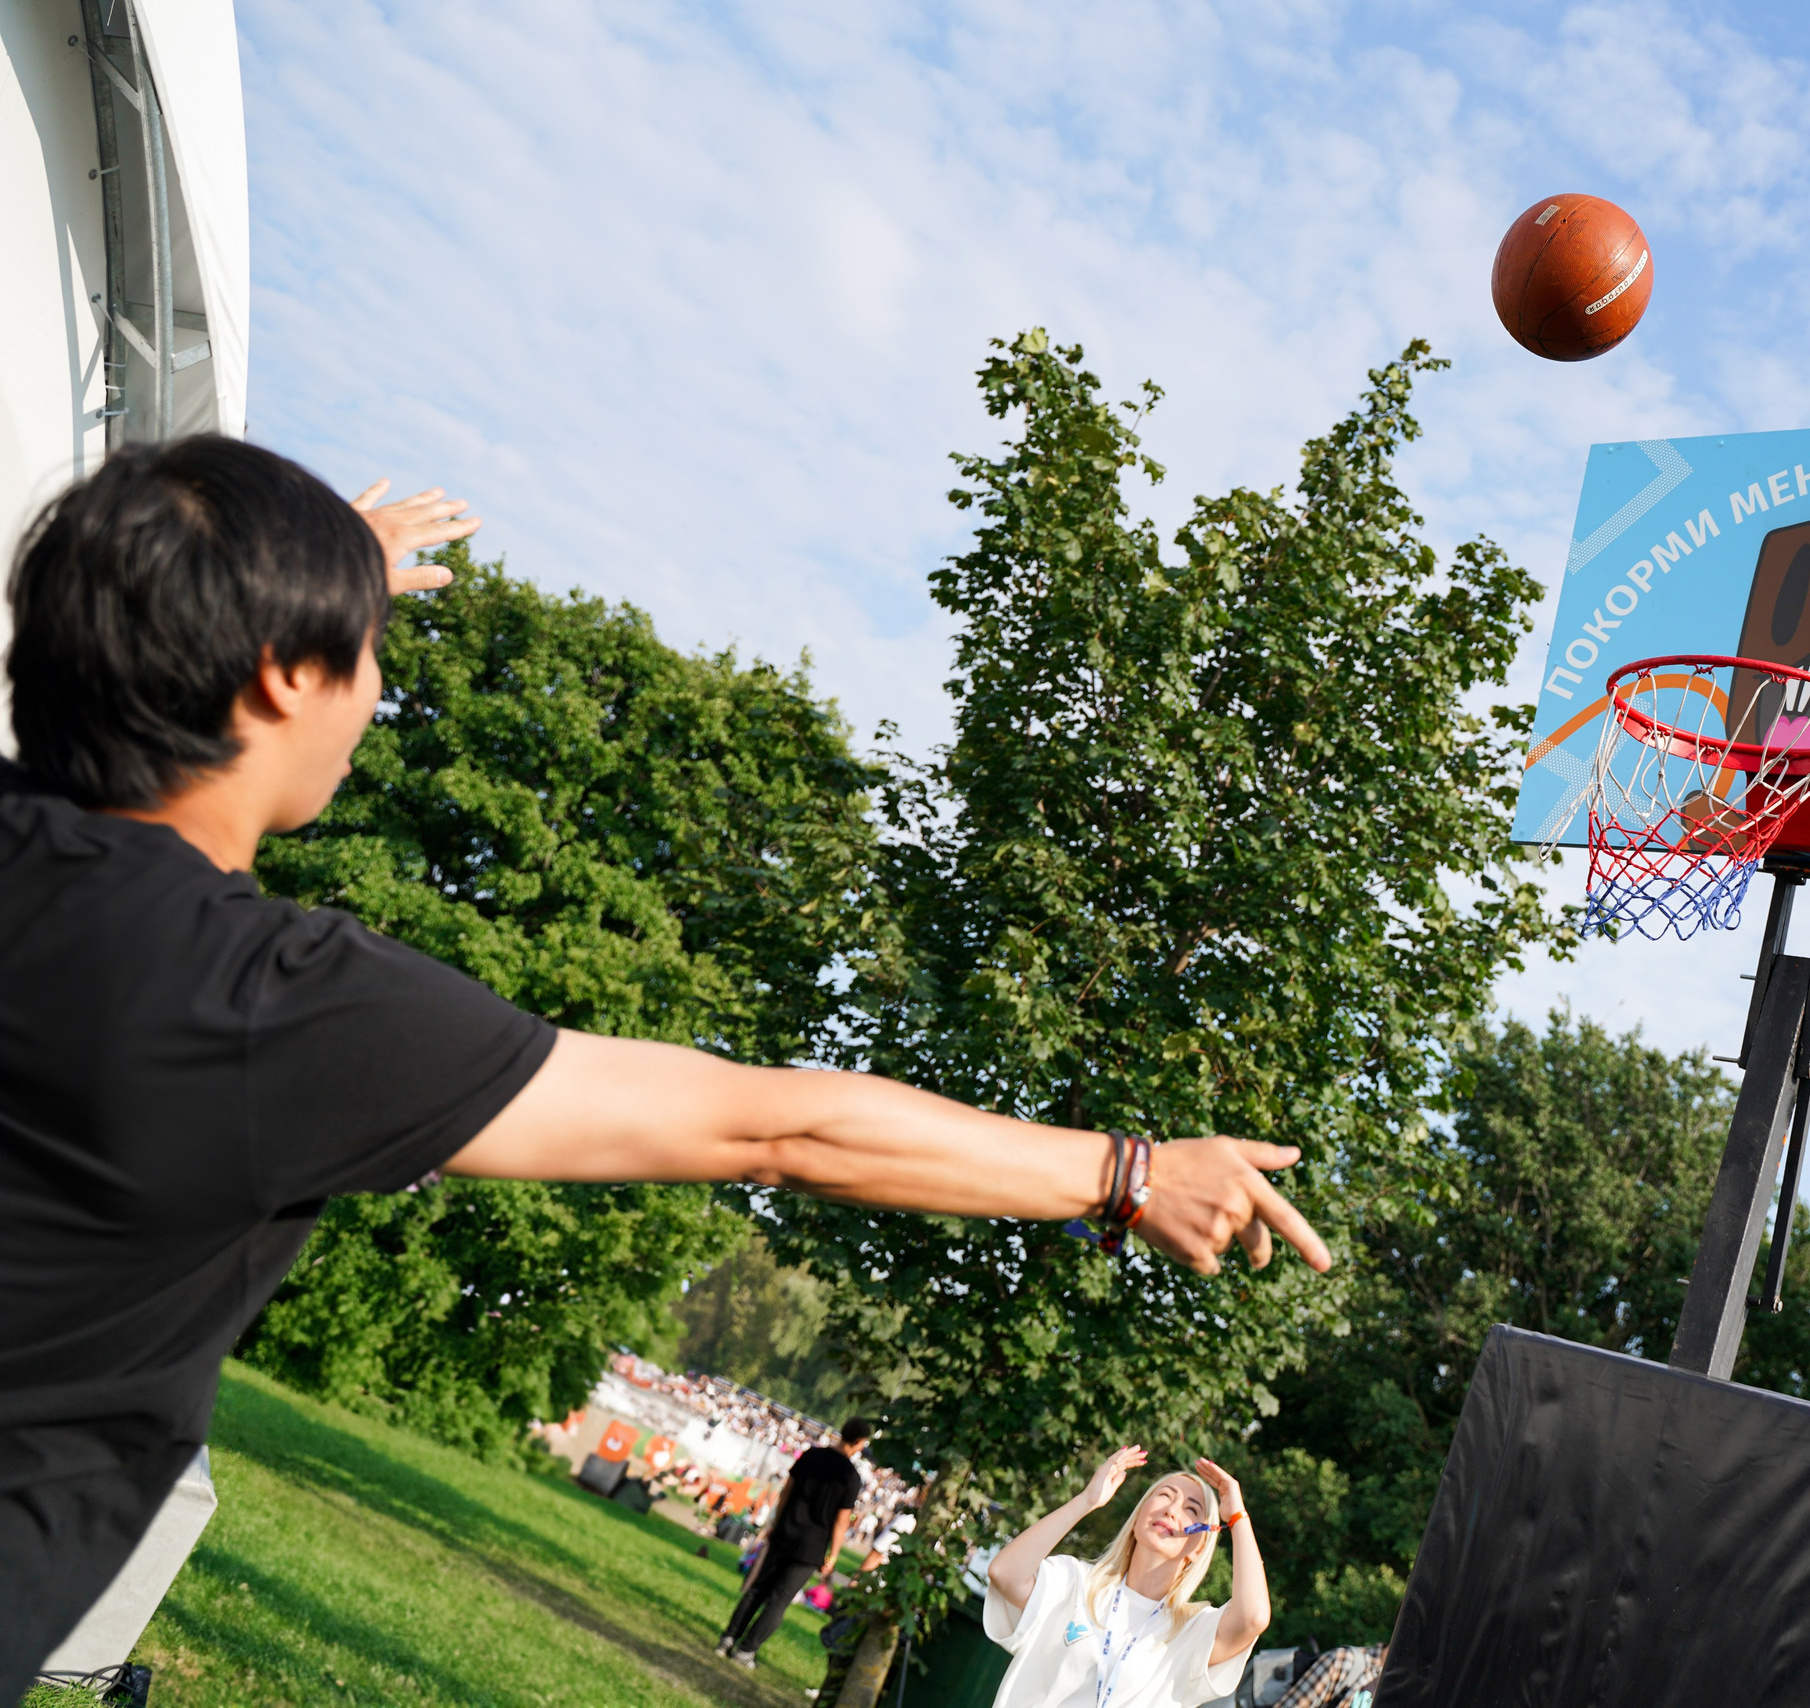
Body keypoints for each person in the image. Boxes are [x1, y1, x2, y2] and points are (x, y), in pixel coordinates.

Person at [0, 437, 1332, 1696]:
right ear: (283, 674)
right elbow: (779, 1132)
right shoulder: (269, 1009)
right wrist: (1125, 1169)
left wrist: (283, 578)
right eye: (359, 650)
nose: (379, 681)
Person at [983, 1446, 1266, 1708]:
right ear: (1139, 1516)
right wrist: (1087, 1501)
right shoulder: (1074, 1582)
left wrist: (1238, 1518)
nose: (1171, 1509)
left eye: (1191, 1509)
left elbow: (1253, 1618)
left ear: (1199, 1546)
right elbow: (1004, 1574)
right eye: (1165, 1496)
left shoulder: (1193, 1631)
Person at [716, 1417, 877, 1668]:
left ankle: (728, 1638)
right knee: (778, 1601)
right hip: (810, 1548)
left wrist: (775, 1524)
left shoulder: (812, 1455)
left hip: (785, 1532)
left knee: (758, 1589)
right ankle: (746, 1651)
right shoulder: (850, 1476)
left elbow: (787, 1491)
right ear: (858, 1442)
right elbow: (841, 1521)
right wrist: (832, 1556)